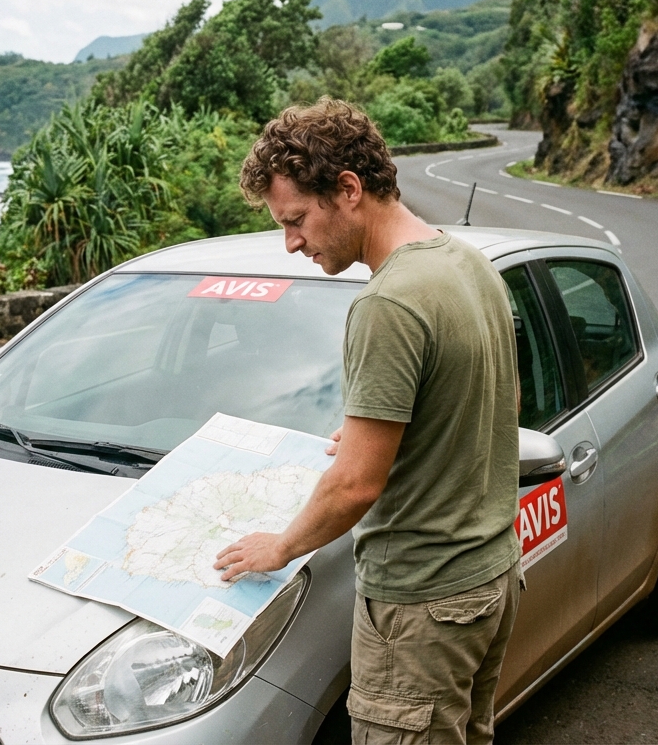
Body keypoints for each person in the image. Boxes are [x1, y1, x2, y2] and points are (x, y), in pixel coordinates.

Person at [214, 97, 521, 745]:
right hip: (489, 580)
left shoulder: (388, 303)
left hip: (423, 605)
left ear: (348, 190)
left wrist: (282, 546)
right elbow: (477, 402)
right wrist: (381, 431)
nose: (291, 242)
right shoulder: (466, 262)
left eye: (296, 219)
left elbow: (355, 486)